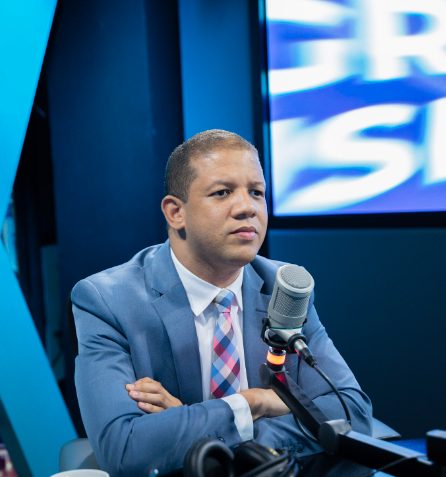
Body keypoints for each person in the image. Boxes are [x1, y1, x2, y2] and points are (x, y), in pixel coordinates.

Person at [72, 129, 372, 477]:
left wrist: (192, 423)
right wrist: (252, 403)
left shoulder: (283, 287)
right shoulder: (107, 301)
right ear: (175, 212)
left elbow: (353, 414)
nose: (247, 208)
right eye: (222, 192)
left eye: (256, 192)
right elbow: (124, 449)